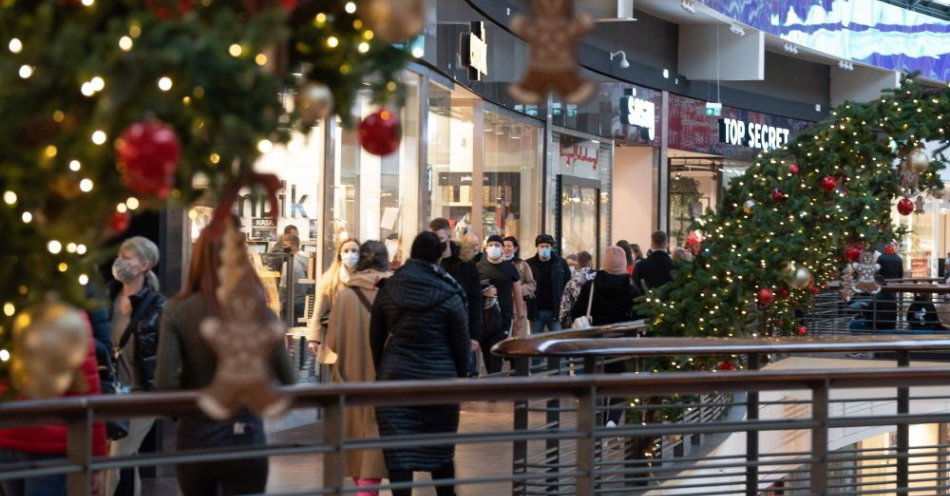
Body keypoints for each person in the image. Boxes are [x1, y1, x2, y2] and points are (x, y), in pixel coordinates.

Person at [156, 218, 296, 495]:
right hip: (246, 433)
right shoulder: (259, 311)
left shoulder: (177, 310)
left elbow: (164, 381)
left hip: (195, 433)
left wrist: (186, 412)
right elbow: (287, 378)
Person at [371, 232, 470, 496]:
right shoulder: (450, 291)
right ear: (438, 255)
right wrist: (461, 378)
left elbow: (376, 337)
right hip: (439, 381)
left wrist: (381, 372)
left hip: (395, 382)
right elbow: (461, 344)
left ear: (412, 253)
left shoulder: (389, 288)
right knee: (440, 452)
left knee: (398, 455)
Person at [0, 315, 107, 496]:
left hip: (7, 435)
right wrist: (96, 458)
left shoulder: (8, 305)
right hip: (50, 443)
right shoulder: (69, 315)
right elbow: (86, 391)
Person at [324, 241, 391, 495]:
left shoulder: (345, 295)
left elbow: (332, 343)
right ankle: (368, 490)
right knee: (378, 439)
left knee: (354, 440)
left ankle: (363, 489)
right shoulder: (394, 292)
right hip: (387, 377)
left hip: (350, 381)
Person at [106, 236, 166, 496]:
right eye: (119, 256)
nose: (120, 263)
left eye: (126, 258)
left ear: (144, 265)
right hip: (111, 393)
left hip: (143, 395)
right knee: (123, 457)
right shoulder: (108, 299)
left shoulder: (158, 306)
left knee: (116, 458)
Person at [571, 246, 641, 426]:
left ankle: (596, 425)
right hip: (621, 344)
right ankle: (613, 420)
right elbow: (640, 317)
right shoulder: (632, 290)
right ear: (624, 264)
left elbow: (576, 312)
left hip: (595, 343)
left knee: (597, 382)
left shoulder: (591, 286)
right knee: (619, 383)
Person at [430, 218, 482, 377]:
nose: (437, 244)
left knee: (461, 376)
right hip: (434, 331)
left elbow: (475, 300)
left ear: (449, 236)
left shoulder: (465, 263)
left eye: (440, 239)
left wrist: (474, 335)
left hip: (460, 329)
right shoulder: (429, 262)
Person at [477, 235, 525, 373]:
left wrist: (520, 315)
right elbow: (471, 290)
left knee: (496, 353)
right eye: (491, 245)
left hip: (503, 317)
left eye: (497, 245)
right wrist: (483, 292)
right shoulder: (478, 267)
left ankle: (495, 384)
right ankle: (492, 382)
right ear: (486, 248)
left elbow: (517, 292)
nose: (494, 248)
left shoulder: (509, 268)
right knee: (487, 353)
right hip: (483, 318)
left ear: (502, 248)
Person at [307, 238, 360, 359]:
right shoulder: (329, 279)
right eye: (346, 251)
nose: (350, 254)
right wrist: (314, 339)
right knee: (338, 375)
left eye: (354, 250)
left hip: (360, 337)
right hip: (336, 337)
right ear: (340, 255)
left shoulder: (367, 278)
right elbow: (318, 311)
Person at [525, 234, 570, 335]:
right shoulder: (528, 264)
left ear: (551, 247)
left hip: (556, 311)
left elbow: (568, 283)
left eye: (547, 246)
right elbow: (523, 284)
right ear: (537, 247)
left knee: (558, 342)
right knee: (535, 343)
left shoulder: (561, 263)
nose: (544, 248)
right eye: (542, 246)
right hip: (536, 311)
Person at [503, 236, 536, 338]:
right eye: (504, 246)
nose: (506, 248)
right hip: (501, 303)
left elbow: (531, 284)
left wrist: (517, 290)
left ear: (515, 248)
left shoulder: (522, 265)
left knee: (518, 337)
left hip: (518, 305)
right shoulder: (497, 264)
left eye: (509, 246)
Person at [278, 233, 309, 325]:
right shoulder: (306, 259)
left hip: (291, 305)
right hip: (303, 303)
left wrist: (280, 304)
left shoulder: (289, 264)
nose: (283, 248)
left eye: (285, 245)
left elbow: (283, 288)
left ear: (294, 246)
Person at [559, 251, 595, 328]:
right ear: (590, 262)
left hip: (577, 322)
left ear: (578, 263)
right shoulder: (598, 279)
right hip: (596, 320)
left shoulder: (571, 282)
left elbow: (565, 306)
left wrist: (563, 321)